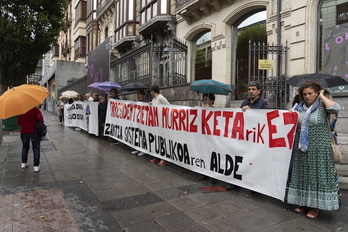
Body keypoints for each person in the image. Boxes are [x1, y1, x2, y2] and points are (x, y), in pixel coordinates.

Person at [287, 81, 341, 219]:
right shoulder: (298, 107)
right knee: (302, 176)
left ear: (317, 93)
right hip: (301, 149)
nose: (307, 96)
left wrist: (322, 96)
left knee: (317, 177)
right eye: (304, 94)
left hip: (320, 148)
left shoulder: (323, 106)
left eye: (310, 93)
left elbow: (336, 108)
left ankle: (314, 206)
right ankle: (303, 202)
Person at [227, 81, 269, 190]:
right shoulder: (244, 103)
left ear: (259, 91)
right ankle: (237, 182)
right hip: (244, 136)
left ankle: (254, 185)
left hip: (256, 137)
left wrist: (252, 112)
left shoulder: (263, 103)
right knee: (241, 159)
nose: (251, 91)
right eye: (249, 89)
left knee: (254, 161)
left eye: (253, 89)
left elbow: (264, 119)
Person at [198, 93, 217, 184]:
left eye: (206, 100)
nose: (204, 102)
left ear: (211, 101)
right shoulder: (201, 110)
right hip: (204, 137)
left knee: (212, 156)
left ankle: (213, 175)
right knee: (204, 155)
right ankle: (204, 173)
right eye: (204, 100)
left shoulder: (215, 111)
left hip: (212, 139)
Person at [17, 107, 44, 172]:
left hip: (24, 132)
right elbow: (41, 120)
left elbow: (19, 122)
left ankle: (23, 163)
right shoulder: (35, 110)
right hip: (33, 132)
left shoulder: (21, 111)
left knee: (25, 147)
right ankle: (36, 166)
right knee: (36, 148)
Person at [149, 85, 170, 166]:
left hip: (162, 123)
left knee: (162, 141)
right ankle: (157, 156)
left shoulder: (161, 98)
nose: (150, 93)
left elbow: (169, 106)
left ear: (153, 91)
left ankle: (164, 158)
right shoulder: (154, 99)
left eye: (151, 91)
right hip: (156, 123)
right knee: (157, 140)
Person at [131, 90, 148, 156]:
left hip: (143, 122)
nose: (137, 96)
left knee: (142, 136)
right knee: (138, 135)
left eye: (138, 94)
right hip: (138, 121)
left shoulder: (145, 102)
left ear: (142, 95)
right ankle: (138, 149)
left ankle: (143, 150)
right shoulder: (138, 102)